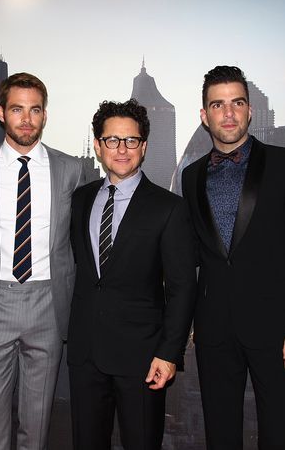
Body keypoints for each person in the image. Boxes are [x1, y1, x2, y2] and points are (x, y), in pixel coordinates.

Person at [181, 65, 285, 449]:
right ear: (204, 115)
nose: (228, 113)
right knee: (220, 439)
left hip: (278, 332)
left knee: (278, 438)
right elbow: (193, 255)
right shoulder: (191, 176)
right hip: (213, 333)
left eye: (237, 103)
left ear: (250, 110)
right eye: (218, 104)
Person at [67, 99, 197, 450]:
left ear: (144, 146)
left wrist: (169, 353)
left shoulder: (169, 208)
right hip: (85, 356)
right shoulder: (79, 201)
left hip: (143, 359)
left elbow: (183, 288)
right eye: (112, 140)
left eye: (131, 140)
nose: (121, 149)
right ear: (98, 146)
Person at [0, 72, 86, 450]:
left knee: (37, 423)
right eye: (17, 109)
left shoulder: (71, 169)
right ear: (1, 113)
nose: (27, 119)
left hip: (48, 303)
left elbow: (79, 237)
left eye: (35, 110)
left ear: (45, 115)